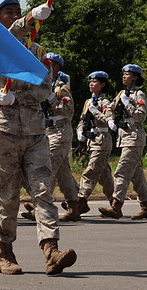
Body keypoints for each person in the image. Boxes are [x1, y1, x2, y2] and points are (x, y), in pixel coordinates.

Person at [0, 0, 76, 276]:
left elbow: (44, 89)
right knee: (8, 195)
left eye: (18, 11)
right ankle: (5, 253)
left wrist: (18, 98)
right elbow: (9, 39)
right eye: (8, 12)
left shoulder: (37, 52)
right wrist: (28, 20)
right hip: (5, 133)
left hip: (36, 132)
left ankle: (51, 251)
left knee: (42, 191)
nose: (14, 15)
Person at [99, 64, 147, 220]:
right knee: (137, 175)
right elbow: (109, 108)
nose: (123, 76)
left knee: (121, 171)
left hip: (134, 137)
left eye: (127, 74)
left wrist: (128, 103)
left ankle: (116, 207)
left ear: (135, 77)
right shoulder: (122, 93)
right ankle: (146, 207)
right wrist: (110, 120)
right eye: (123, 73)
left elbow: (141, 116)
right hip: (125, 137)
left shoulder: (138, 95)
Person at [42, 53, 82, 222]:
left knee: (49, 168)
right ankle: (74, 206)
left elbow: (69, 111)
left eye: (48, 64)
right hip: (48, 131)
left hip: (60, 132)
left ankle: (42, 206)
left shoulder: (61, 89)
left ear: (55, 67)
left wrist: (52, 101)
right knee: (63, 173)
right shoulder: (44, 85)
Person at [74, 71, 114, 215]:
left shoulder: (105, 102)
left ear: (102, 84)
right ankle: (115, 204)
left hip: (102, 140)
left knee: (90, 172)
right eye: (90, 81)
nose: (91, 84)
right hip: (92, 141)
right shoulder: (88, 102)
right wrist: (80, 131)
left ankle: (80, 202)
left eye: (95, 81)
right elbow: (82, 120)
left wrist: (95, 112)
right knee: (104, 176)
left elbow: (109, 121)